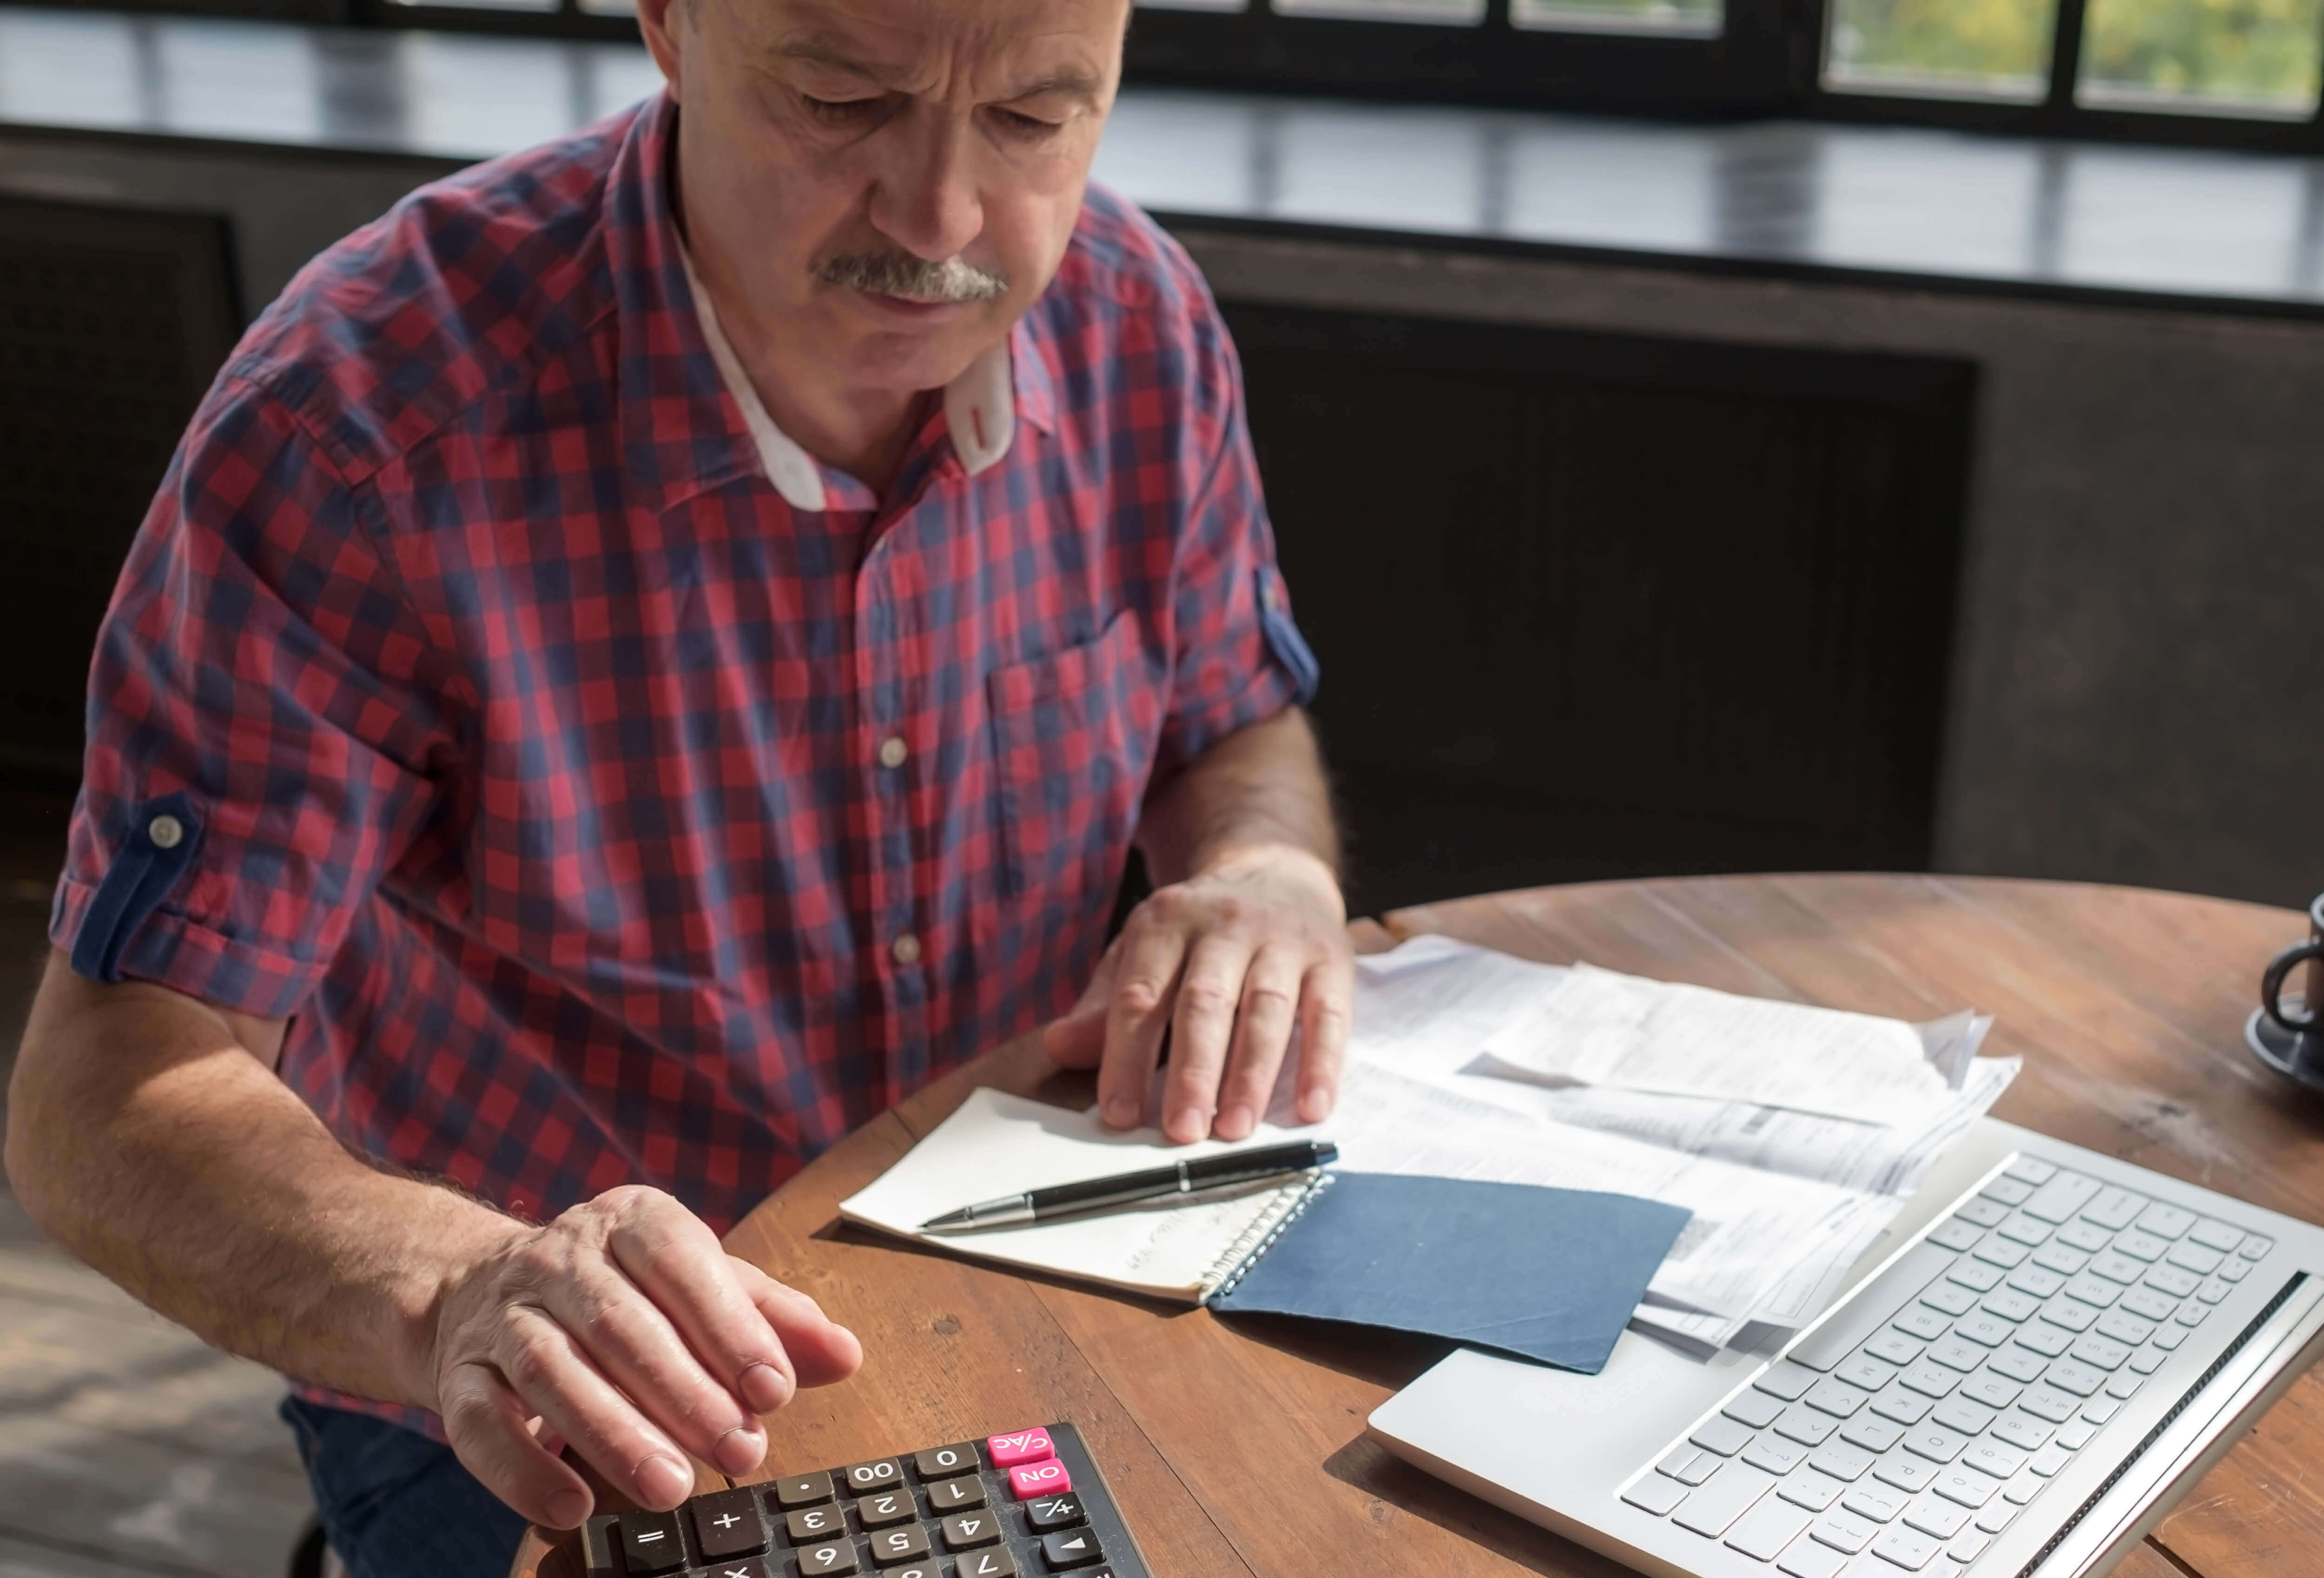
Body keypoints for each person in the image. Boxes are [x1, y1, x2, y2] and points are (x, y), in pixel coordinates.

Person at [0, 0, 1351, 1572]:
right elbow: (105, 1086)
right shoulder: (361, 421)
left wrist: (1266, 867)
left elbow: (1230, 722)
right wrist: (460, 1292)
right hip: (549, 1394)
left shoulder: (1137, 320)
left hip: (1029, 1283)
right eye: (845, 101)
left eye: (1037, 120)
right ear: (669, 23)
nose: (943, 218)